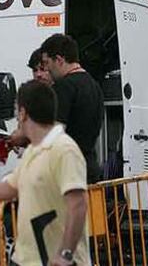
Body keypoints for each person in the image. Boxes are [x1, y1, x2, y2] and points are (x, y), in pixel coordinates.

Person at [0, 80, 89, 266]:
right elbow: (8, 189)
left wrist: (66, 254)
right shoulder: (33, 150)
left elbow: (78, 204)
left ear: (22, 113)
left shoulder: (64, 149)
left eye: (16, 110)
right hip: (29, 259)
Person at [40, 33, 104, 184]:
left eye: (47, 62)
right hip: (89, 169)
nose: (46, 68)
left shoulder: (64, 87)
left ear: (59, 60)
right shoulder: (94, 86)